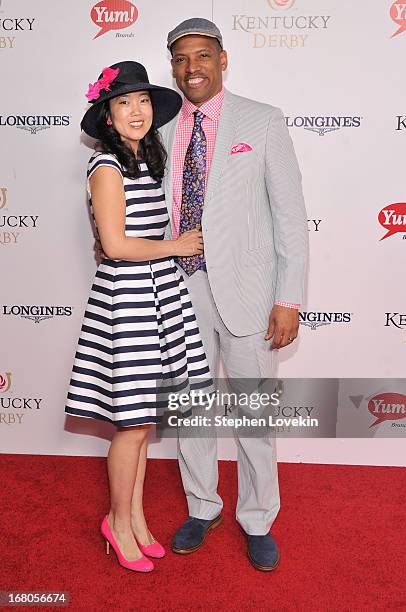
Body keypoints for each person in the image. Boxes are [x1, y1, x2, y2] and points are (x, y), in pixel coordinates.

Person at [160, 18, 308, 571]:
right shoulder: (159, 124)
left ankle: (257, 518)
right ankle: (202, 506)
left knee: (253, 413)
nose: (191, 67)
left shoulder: (262, 120)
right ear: (171, 66)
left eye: (202, 56)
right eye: (180, 58)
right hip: (179, 287)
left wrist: (288, 298)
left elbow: (290, 216)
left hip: (249, 291)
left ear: (223, 60)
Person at [65, 61, 212, 573]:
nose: (136, 111)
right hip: (128, 300)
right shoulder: (106, 167)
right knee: (130, 426)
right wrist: (176, 245)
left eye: (143, 100)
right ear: (107, 115)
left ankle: (137, 519)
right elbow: (114, 244)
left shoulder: (144, 161)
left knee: (144, 423)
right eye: (123, 102)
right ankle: (117, 522)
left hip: (159, 294)